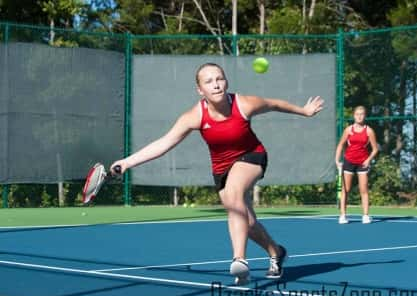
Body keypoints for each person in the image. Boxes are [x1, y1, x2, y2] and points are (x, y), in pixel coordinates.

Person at [110, 62, 324, 284]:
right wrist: (127, 162)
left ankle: (239, 260)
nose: (216, 85)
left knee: (233, 195)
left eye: (219, 79)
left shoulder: (243, 104)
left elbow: (274, 104)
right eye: (209, 81)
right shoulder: (194, 116)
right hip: (221, 169)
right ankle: (276, 252)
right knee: (247, 222)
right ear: (200, 90)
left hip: (252, 156)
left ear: (226, 81)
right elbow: (164, 143)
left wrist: (304, 111)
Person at [335, 105, 378, 224]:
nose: (359, 116)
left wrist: (368, 160)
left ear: (365, 116)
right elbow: (340, 145)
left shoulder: (369, 131)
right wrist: (337, 160)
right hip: (349, 161)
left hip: (362, 163)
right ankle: (343, 216)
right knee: (346, 189)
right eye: (357, 114)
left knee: (363, 189)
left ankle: (365, 215)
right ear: (354, 116)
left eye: (362, 114)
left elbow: (375, 149)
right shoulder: (348, 130)